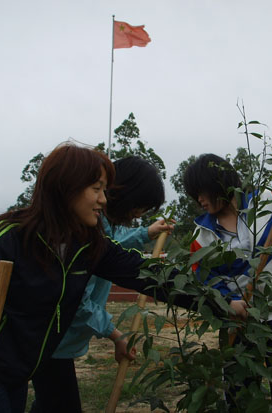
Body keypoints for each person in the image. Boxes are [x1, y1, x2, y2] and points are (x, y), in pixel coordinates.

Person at [0, 143, 197, 413]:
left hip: (19, 367)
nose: (104, 200)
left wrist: (216, 299)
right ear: (66, 189)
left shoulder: (87, 245)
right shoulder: (9, 238)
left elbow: (140, 269)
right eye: (97, 189)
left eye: (104, 190)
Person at [183, 148, 272, 412]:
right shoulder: (201, 235)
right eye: (195, 196)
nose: (200, 200)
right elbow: (205, 278)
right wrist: (229, 302)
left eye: (202, 192)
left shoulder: (267, 203)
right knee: (240, 395)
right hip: (238, 322)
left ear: (220, 184)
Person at [30, 156, 174, 412]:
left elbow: (112, 245)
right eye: (140, 205)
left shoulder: (100, 228)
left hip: (54, 343)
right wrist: (115, 334)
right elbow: (76, 301)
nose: (140, 214)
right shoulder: (80, 233)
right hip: (51, 341)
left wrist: (144, 234)